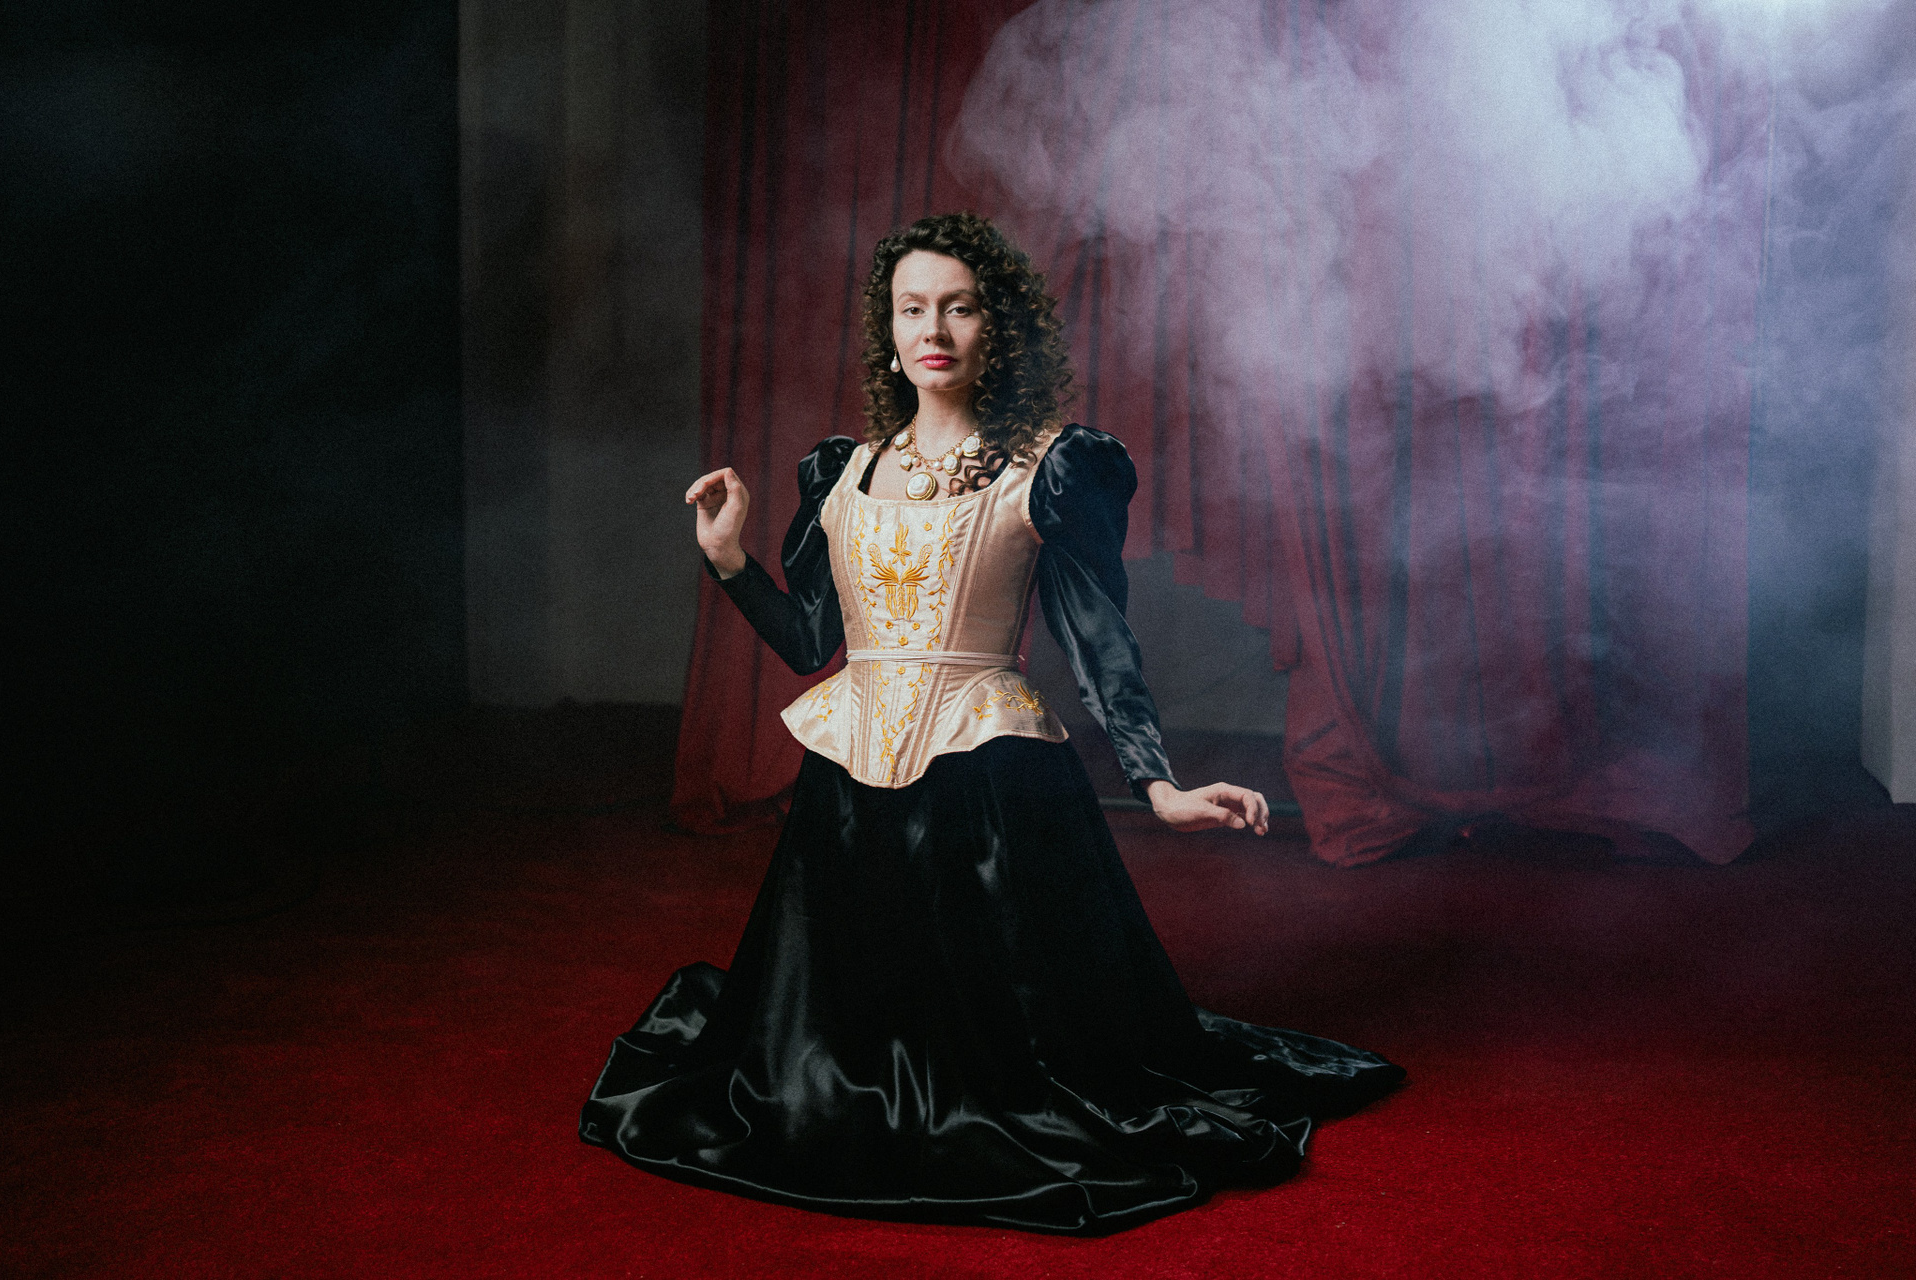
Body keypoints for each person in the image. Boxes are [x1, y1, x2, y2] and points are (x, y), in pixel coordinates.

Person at [580, 212, 1402, 1234]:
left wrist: (1158, 784)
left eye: (959, 307)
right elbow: (808, 642)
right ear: (889, 334)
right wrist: (729, 558)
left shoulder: (1048, 468)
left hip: (988, 792)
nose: (934, 328)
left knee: (1021, 1053)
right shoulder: (841, 471)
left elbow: (1099, 642)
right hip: (848, 806)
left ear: (995, 330)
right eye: (912, 309)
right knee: (816, 1046)